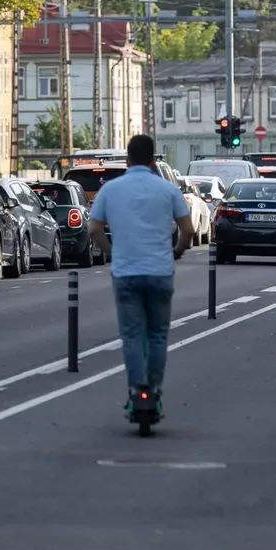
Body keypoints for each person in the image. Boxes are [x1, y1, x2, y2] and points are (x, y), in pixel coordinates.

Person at [88, 134, 193, 415]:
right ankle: (154, 390)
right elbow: (188, 230)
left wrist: (112, 252)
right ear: (152, 159)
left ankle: (137, 391)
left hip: (126, 273)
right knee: (157, 335)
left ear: (128, 159)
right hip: (160, 271)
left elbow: (94, 229)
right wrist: (176, 252)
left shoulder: (111, 190)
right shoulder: (167, 189)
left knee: (133, 336)